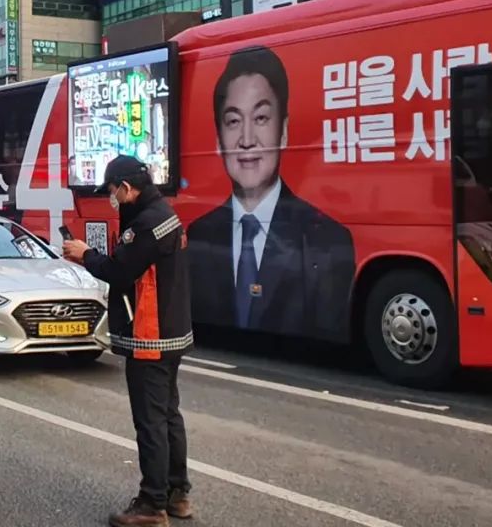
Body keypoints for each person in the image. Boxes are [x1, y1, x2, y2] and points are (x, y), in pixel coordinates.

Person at [187, 45, 355, 339]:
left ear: (284, 131)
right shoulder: (199, 235)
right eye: (234, 121)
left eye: (262, 118)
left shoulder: (326, 239)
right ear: (218, 139)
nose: (248, 140)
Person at [63, 155, 194, 527]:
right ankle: (177, 493)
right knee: (168, 415)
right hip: (171, 332)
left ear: (126, 187)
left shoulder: (148, 225)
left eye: (113, 192)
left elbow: (119, 270)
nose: (113, 199)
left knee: (150, 421)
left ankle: (153, 505)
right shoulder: (164, 213)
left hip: (149, 334)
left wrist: (84, 254)